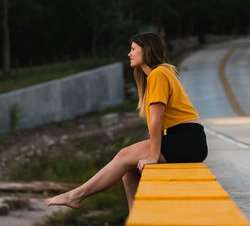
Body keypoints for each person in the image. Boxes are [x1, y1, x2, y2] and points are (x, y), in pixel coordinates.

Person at [43, 32, 208, 212]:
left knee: (123, 155)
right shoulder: (159, 73)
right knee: (128, 172)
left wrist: (153, 157)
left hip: (187, 140)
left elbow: (156, 121)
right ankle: (136, 218)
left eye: (133, 49)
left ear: (147, 50)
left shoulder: (158, 74)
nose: (129, 54)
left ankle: (75, 196)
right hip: (186, 139)